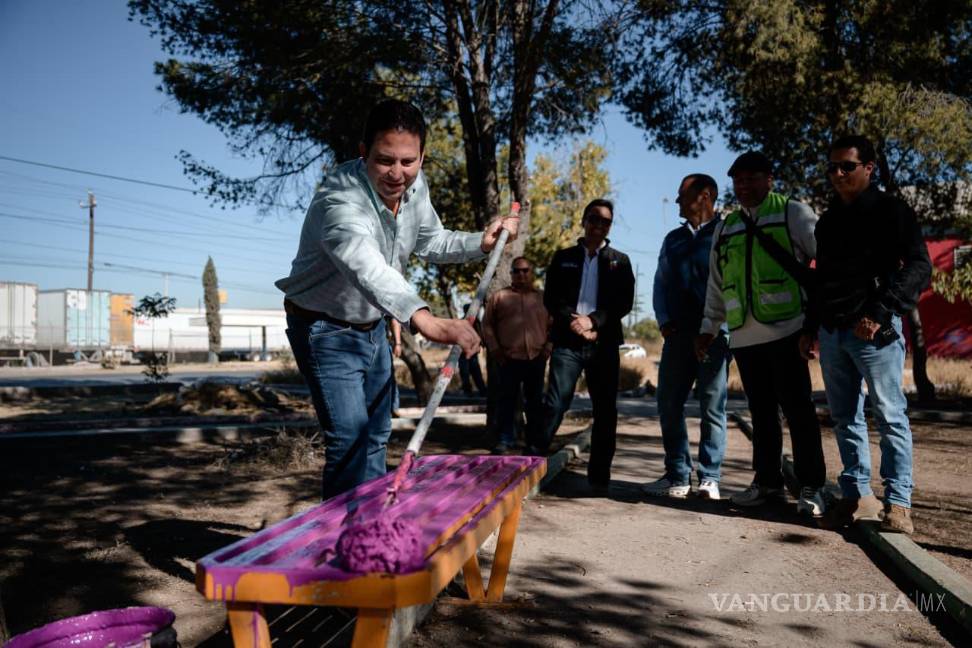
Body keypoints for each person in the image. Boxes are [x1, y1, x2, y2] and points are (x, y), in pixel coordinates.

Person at [275, 99, 518, 499]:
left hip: (372, 328)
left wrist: (480, 242)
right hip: (323, 328)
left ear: (422, 155)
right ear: (362, 153)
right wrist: (427, 320)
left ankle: (370, 532)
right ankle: (342, 546)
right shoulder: (340, 199)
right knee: (350, 439)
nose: (397, 173)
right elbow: (367, 267)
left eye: (408, 161)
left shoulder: (414, 186)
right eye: (384, 160)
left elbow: (432, 240)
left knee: (376, 436)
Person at [808, 135, 931, 534]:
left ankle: (898, 504)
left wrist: (881, 311)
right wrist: (812, 327)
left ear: (868, 168)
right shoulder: (827, 222)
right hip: (833, 332)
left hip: (875, 331)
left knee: (890, 414)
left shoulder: (892, 212)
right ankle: (855, 494)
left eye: (847, 166)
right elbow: (821, 279)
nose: (838, 174)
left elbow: (918, 267)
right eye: (832, 168)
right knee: (845, 418)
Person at [696, 151, 827, 516]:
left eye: (752, 178)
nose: (744, 186)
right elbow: (716, 282)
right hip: (744, 337)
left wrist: (813, 326)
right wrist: (709, 327)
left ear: (770, 179)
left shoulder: (793, 213)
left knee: (799, 412)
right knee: (762, 414)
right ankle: (767, 483)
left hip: (787, 330)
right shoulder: (727, 225)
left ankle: (812, 486)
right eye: (738, 180)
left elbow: (824, 266)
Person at [537, 199, 635, 492]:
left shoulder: (620, 260)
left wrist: (593, 322)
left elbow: (623, 302)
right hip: (568, 342)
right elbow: (551, 298)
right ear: (584, 220)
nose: (599, 225)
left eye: (605, 221)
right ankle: (530, 463)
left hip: (603, 344)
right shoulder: (563, 257)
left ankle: (598, 478)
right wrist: (574, 321)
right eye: (594, 219)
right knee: (555, 404)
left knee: (605, 410)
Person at [643, 174, 729, 500]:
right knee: (668, 403)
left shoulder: (726, 233)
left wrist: (717, 328)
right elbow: (660, 282)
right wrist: (664, 320)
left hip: (715, 336)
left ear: (704, 196)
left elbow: (729, 284)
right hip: (677, 336)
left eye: (683, 195)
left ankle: (710, 478)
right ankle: (677, 475)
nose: (677, 201)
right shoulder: (674, 238)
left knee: (712, 406)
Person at [483, 257, 552, 454]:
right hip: (508, 359)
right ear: (511, 274)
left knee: (534, 403)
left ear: (532, 273)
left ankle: (533, 443)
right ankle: (505, 440)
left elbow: (553, 327)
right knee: (507, 402)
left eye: (525, 271)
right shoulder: (499, 297)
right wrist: (495, 349)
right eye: (517, 271)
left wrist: (548, 348)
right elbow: (487, 325)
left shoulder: (543, 298)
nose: (521, 275)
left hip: (536, 358)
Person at [457, 303, 487, 397]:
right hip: (463, 352)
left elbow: (481, 334)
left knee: (474, 371)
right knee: (466, 372)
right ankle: (469, 390)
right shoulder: (462, 322)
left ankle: (481, 390)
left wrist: (481, 344)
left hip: (471, 352)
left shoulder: (476, 322)